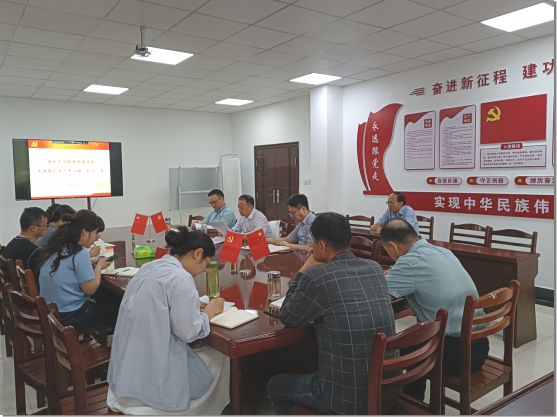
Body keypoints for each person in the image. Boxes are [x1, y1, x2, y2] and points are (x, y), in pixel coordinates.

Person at [267, 213, 399, 415]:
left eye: (312, 242)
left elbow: (289, 315)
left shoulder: (316, 276)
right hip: (387, 391)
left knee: (275, 386)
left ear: (321, 246)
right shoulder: (374, 268)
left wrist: (305, 268)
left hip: (344, 398)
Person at [107, 227, 230, 414]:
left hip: (128, 370)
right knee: (220, 354)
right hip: (156, 372)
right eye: (206, 264)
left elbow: (157, 301)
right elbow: (188, 332)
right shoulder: (181, 277)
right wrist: (209, 312)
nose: (204, 270)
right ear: (198, 253)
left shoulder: (150, 267)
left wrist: (190, 302)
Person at [380, 218, 490, 401]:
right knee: (419, 336)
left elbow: (378, 296)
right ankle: (413, 398)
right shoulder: (443, 251)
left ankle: (406, 403)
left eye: (387, 250)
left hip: (454, 356)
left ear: (393, 245)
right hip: (479, 349)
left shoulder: (409, 263)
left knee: (383, 352)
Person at [38, 210, 119, 330]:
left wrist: (90, 263)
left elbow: (67, 268)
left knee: (105, 297)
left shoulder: (60, 246)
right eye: (96, 233)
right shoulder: (80, 252)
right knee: (116, 307)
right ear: (85, 231)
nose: (96, 239)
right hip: (70, 314)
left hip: (51, 311)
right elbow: (90, 289)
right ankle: (111, 339)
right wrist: (99, 267)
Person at [4, 207, 48, 280]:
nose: (46, 228)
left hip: (16, 286)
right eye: (45, 225)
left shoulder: (12, 244)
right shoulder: (33, 251)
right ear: (33, 228)